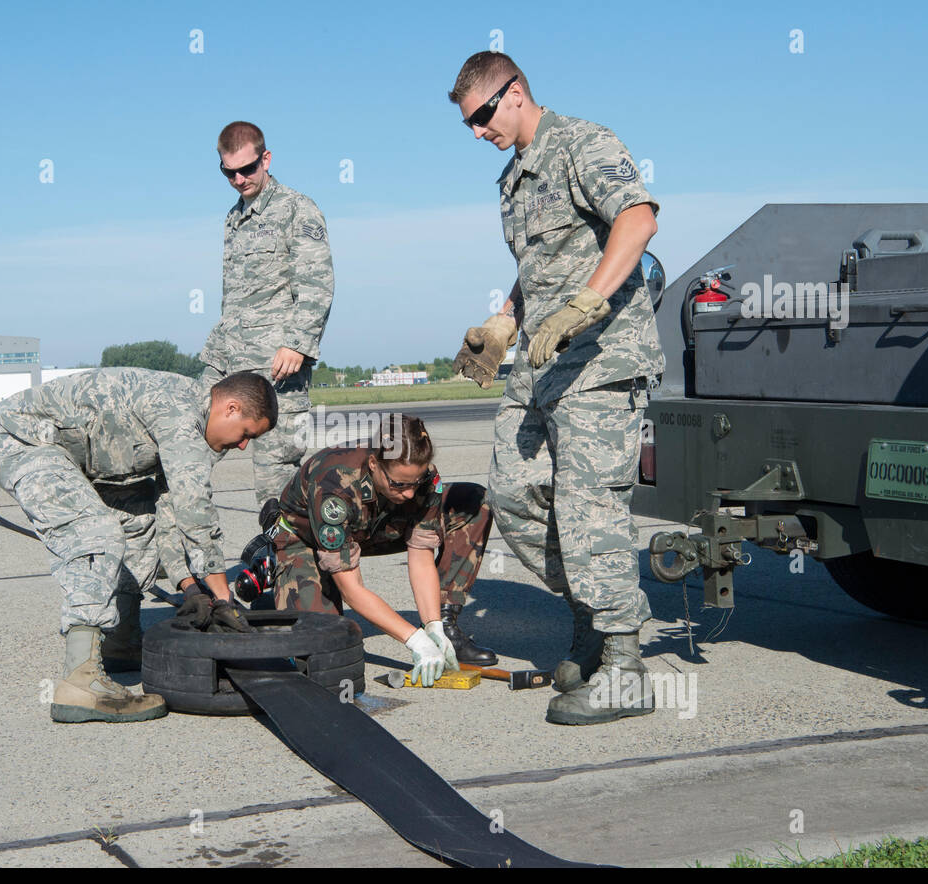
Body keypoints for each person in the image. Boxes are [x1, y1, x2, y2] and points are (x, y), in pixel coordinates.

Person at [448, 52, 663, 725]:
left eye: (483, 115)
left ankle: (624, 666)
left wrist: (587, 303)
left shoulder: (581, 143)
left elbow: (638, 219)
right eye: (469, 125)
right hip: (541, 365)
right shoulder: (512, 180)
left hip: (600, 358)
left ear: (515, 93)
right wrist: (503, 319)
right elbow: (536, 265)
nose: (479, 131)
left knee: (589, 506)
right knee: (512, 494)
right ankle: (593, 622)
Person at [0, 368, 277, 723]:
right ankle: (80, 682)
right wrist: (221, 595)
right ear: (230, 408)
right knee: (94, 532)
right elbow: (195, 507)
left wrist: (189, 586)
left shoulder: (193, 425)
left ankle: (120, 644)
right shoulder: (180, 413)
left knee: (139, 522)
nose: (243, 446)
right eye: (246, 434)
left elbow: (170, 512)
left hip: (84, 460)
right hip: (24, 441)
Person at [268, 413, 497, 688]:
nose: (410, 494)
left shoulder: (423, 478)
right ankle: (286, 580)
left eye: (416, 482)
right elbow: (352, 589)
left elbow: (421, 554)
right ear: (374, 464)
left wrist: (432, 625)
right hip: (305, 540)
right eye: (400, 484)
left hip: (376, 527)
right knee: (323, 654)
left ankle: (447, 627)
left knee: (473, 501)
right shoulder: (334, 485)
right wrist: (414, 640)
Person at [200, 120, 334, 505]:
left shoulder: (298, 210)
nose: (239, 179)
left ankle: (286, 562)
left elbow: (317, 284)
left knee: (276, 482)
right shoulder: (233, 218)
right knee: (189, 453)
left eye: (248, 169)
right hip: (231, 362)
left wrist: (297, 344)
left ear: (266, 159)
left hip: (279, 368)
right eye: (230, 172)